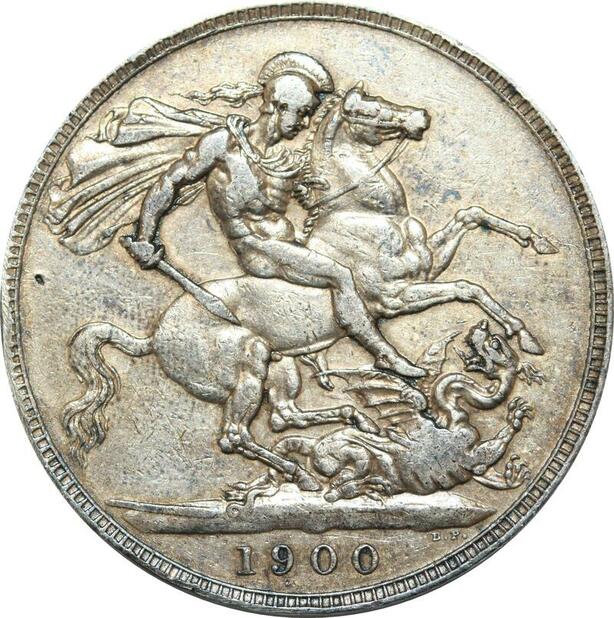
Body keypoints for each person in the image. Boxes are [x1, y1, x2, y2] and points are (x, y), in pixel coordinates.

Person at [123, 52, 425, 378]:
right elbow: (170, 182)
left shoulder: (282, 157)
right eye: (303, 113)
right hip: (256, 248)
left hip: (287, 243)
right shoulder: (224, 145)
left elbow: (302, 200)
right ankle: (384, 355)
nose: (305, 123)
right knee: (340, 275)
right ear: (281, 106)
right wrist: (145, 236)